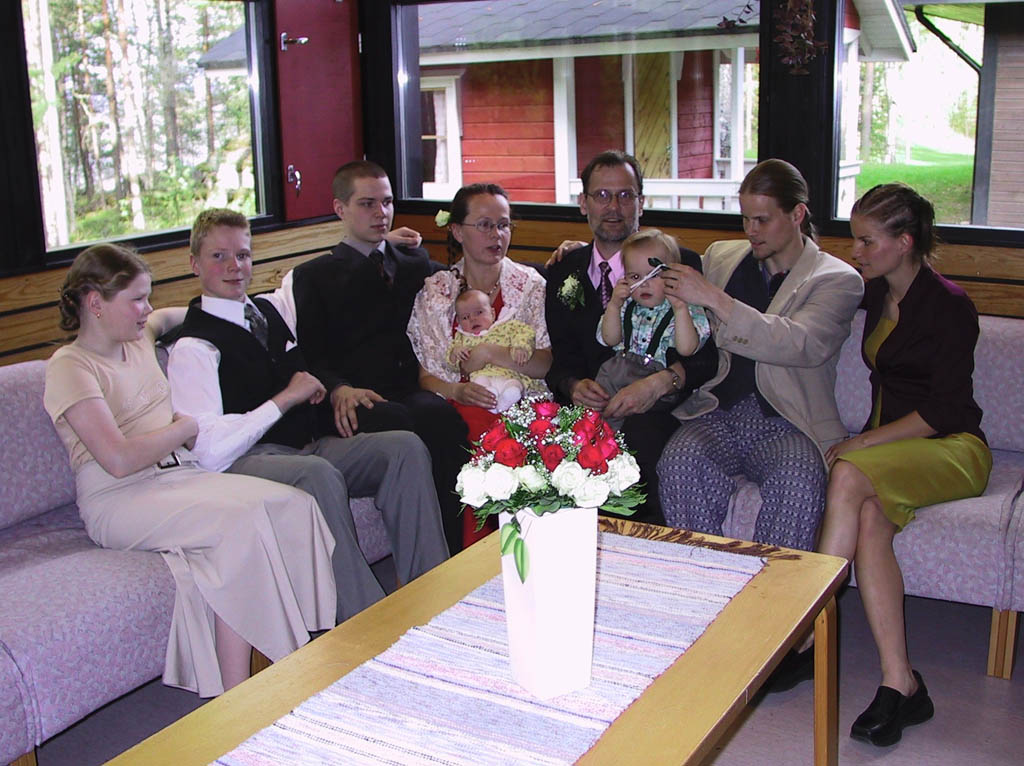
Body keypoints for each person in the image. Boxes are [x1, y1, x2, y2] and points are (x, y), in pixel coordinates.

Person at [43, 244, 336, 698]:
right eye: (137, 299)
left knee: (291, 504)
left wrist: (246, 313)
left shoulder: (142, 336)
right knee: (239, 523)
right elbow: (117, 459)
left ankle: (292, 657)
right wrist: (184, 427)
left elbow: (188, 313)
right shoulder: (70, 366)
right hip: (119, 496)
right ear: (95, 303)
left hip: (178, 477)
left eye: (147, 297)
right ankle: (240, 697)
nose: (148, 309)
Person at [165, 209, 449, 623]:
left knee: (403, 448)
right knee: (317, 475)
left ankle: (434, 599)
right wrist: (285, 399)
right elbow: (208, 452)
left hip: (306, 445)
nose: (233, 267)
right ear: (194, 264)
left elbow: (296, 287)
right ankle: (368, 623)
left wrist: (337, 390)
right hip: (242, 464)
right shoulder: (193, 347)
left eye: (242, 255)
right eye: (218, 256)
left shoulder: (267, 312)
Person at [814, 184, 990, 745]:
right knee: (869, 520)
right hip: (896, 453)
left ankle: (804, 627)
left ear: (905, 242)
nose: (856, 251)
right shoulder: (872, 293)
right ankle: (902, 683)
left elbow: (944, 409)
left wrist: (864, 442)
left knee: (846, 472)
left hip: (954, 448)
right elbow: (810, 284)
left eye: (867, 241)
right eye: (854, 239)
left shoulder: (950, 306)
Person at [657, 158, 864, 551]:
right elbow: (658, 256)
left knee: (799, 482)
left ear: (797, 214)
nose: (751, 231)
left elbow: (800, 343)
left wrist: (715, 298)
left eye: (762, 220)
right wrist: (587, 250)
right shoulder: (721, 257)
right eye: (745, 219)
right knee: (679, 460)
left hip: (788, 421)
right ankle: (703, 577)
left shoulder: (836, 279)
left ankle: (777, 588)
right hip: (718, 412)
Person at [289, 161, 469, 553]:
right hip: (355, 397)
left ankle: (455, 553)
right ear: (340, 209)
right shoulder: (314, 276)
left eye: (386, 202)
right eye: (367, 203)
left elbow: (465, 279)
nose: (381, 212)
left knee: (440, 418)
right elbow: (310, 353)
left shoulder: (414, 263)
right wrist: (338, 387)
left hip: (409, 388)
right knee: (400, 423)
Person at [544, 150, 719, 524]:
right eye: (602, 195)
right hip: (594, 402)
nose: (614, 207)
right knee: (559, 442)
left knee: (639, 437)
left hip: (660, 405)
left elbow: (706, 357)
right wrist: (573, 385)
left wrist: (659, 383)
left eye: (625, 195)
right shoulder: (564, 271)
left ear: (641, 202)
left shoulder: (680, 263)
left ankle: (642, 549)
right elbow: (561, 358)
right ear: (583, 204)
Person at [408, 182, 552, 545]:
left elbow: (543, 365)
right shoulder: (437, 291)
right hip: (461, 402)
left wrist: (489, 353)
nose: (497, 235)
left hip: (521, 396)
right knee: (460, 428)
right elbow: (427, 375)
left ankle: (524, 544)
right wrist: (456, 390)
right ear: (458, 231)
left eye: (503, 225)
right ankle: (475, 551)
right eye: (485, 225)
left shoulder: (530, 285)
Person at [596, 228, 710, 430]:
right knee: (599, 413)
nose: (644, 284)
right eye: (635, 276)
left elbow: (687, 349)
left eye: (654, 275)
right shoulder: (626, 306)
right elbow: (610, 339)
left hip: (655, 376)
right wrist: (613, 306)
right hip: (618, 370)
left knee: (641, 424)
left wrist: (680, 308)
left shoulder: (685, 307)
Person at [448, 288, 536, 413]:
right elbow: (452, 364)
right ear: (459, 322)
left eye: (479, 312)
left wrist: (521, 346)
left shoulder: (506, 327)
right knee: (479, 385)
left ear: (492, 313)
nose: (473, 319)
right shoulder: (462, 338)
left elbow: (524, 332)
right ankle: (492, 401)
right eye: (465, 317)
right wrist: (455, 353)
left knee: (515, 385)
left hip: (508, 374)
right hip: (481, 376)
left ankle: (509, 397)